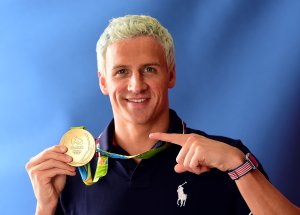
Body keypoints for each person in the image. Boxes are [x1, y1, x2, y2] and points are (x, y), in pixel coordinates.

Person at [26, 15, 300, 215]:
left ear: (171, 74)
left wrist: (238, 167)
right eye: (122, 71)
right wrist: (45, 207)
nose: (136, 85)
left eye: (149, 69)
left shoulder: (227, 158)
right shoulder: (73, 173)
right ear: (103, 82)